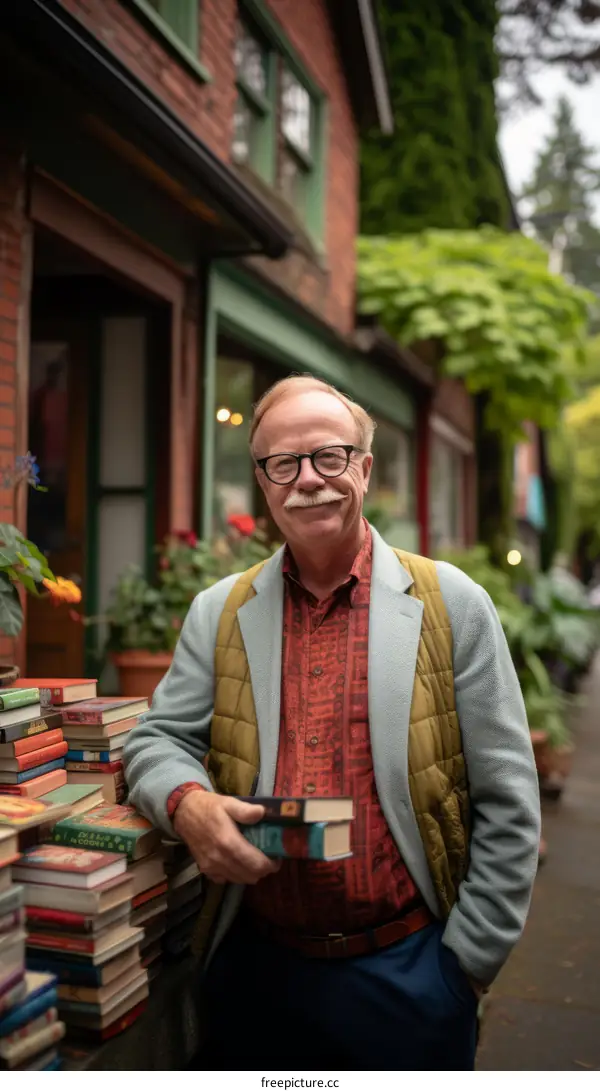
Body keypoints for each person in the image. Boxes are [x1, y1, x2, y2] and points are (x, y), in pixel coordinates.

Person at [124, 375, 541, 1071]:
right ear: (263, 481)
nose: (307, 479)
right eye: (282, 463)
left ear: (364, 468)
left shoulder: (452, 605)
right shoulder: (218, 612)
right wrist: (187, 803)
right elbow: (158, 738)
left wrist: (464, 967)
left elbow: (509, 799)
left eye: (329, 456)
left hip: (410, 975)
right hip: (255, 973)